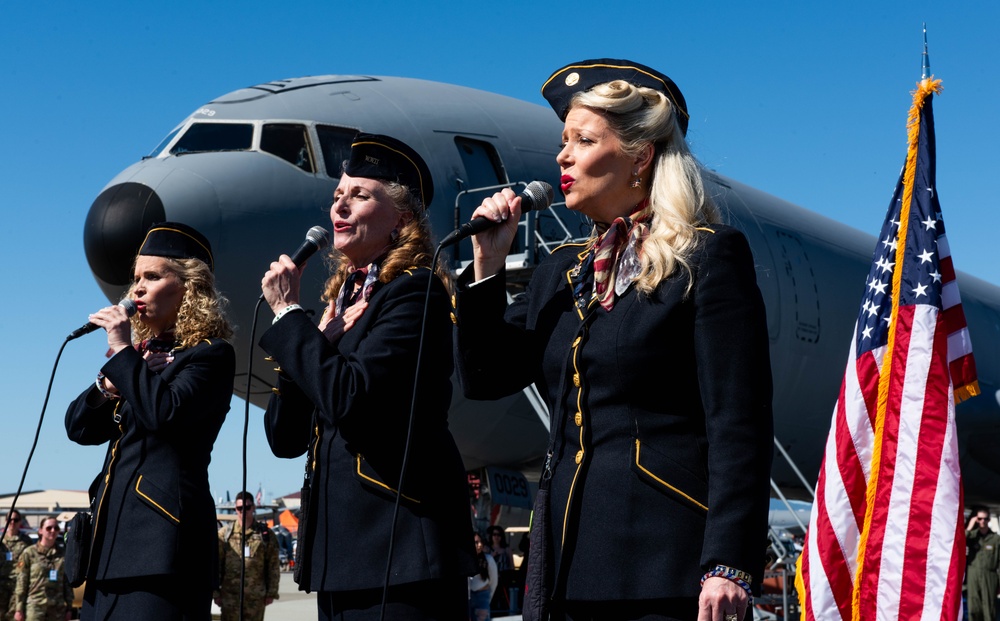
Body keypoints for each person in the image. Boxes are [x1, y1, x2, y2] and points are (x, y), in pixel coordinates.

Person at [453, 59, 773, 621]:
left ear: (640, 155)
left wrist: (728, 563)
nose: (562, 157)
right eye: (563, 141)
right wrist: (486, 269)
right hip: (564, 563)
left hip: (662, 561)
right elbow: (486, 377)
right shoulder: (563, 272)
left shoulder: (707, 256)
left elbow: (738, 422)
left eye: (582, 139)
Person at [260, 133, 477, 620]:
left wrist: (291, 318)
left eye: (360, 195)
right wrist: (312, 337)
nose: (341, 205)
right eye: (338, 195)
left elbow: (351, 401)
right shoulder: (336, 309)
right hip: (342, 552)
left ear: (401, 218)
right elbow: (284, 437)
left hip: (400, 546)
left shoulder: (414, 293)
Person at [65, 222, 236, 621]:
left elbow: (166, 414)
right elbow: (78, 428)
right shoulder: (139, 361)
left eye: (153, 277)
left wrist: (123, 354)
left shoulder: (209, 356)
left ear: (188, 287)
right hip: (108, 552)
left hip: (163, 552)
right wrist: (109, 384)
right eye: (136, 278)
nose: (136, 289)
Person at [214, 491, 280, 621]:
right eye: (239, 508)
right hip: (230, 597)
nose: (243, 511)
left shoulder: (265, 535)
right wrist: (216, 593)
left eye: (247, 507)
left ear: (253, 508)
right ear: (235, 509)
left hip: (255, 597)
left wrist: (271, 592)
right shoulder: (224, 535)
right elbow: (216, 565)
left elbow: (273, 565)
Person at [12, 517, 72, 621]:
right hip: (35, 607)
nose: (53, 531)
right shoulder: (29, 553)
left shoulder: (63, 555)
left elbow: (67, 583)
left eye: (56, 528)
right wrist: (19, 609)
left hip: (57, 608)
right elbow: (22, 582)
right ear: (40, 531)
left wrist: (69, 607)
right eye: (49, 528)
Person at [966, 506, 1000, 621]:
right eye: (979, 519)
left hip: (989, 576)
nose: (982, 521)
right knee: (974, 608)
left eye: (985, 519)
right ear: (976, 519)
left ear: (989, 520)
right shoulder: (972, 537)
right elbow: (959, 540)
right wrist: (970, 526)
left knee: (989, 609)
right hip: (973, 575)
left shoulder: (996, 539)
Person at [2, 511, 34, 621]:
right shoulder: (1, 541)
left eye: (15, 520)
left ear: (20, 522)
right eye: (9, 520)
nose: (12, 522)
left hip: (18, 586)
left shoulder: (26, 541)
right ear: (5, 521)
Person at [469, 533, 498, 621]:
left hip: (483, 594)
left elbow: (494, 580)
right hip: (469, 596)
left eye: (481, 542)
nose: (480, 545)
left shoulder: (488, 559)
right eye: (476, 542)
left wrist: (489, 596)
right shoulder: (467, 560)